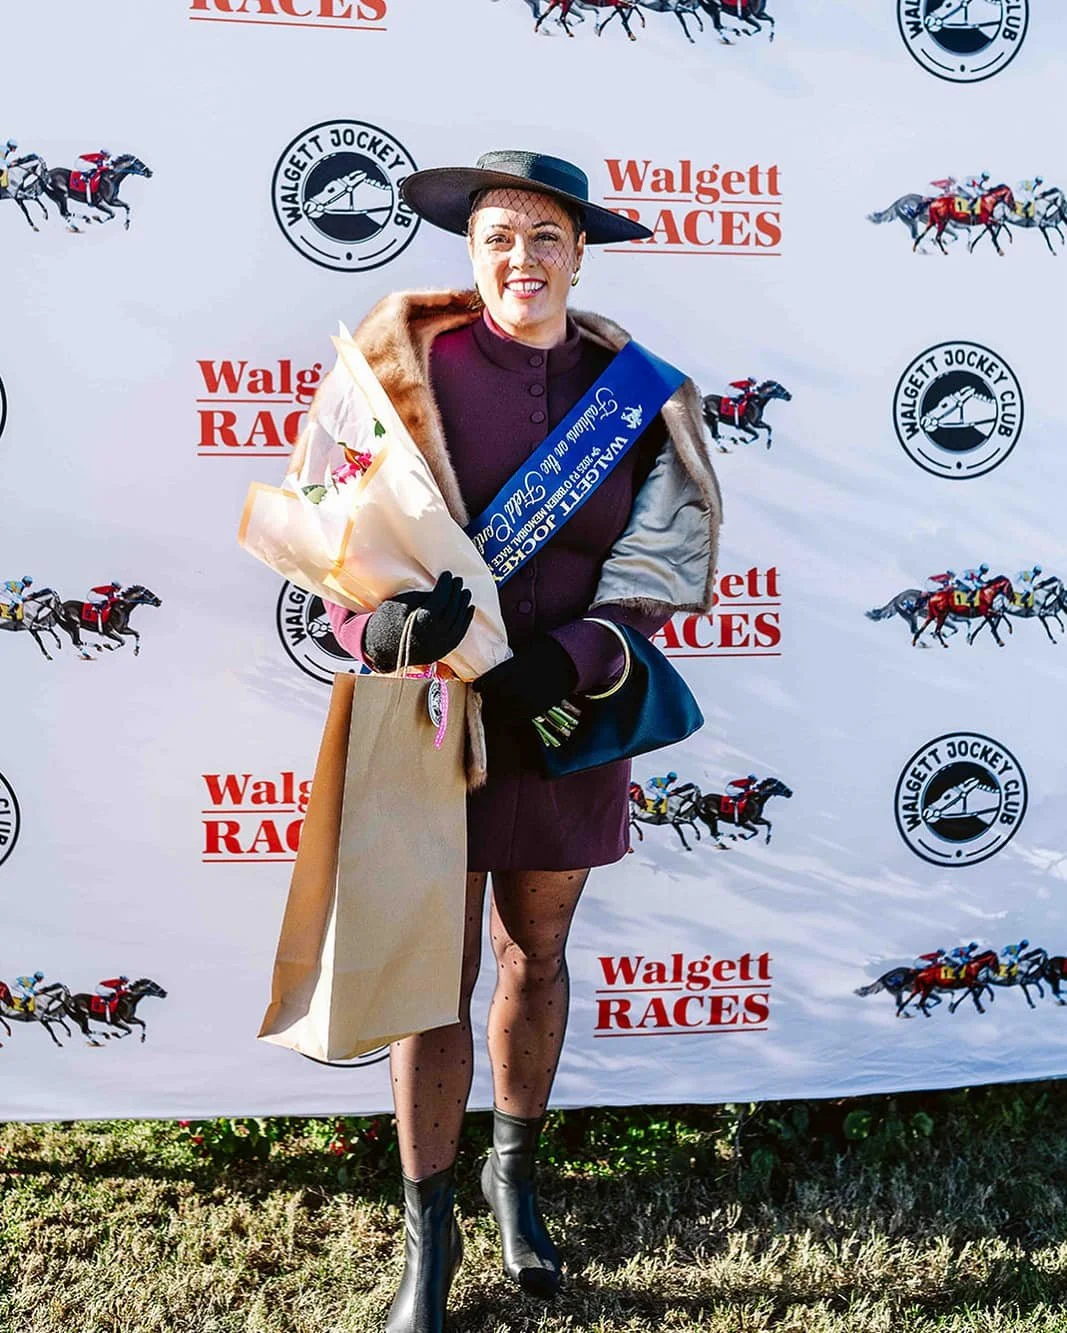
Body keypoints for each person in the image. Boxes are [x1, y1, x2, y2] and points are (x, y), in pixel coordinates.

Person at [321, 149, 720, 1331]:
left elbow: (661, 559)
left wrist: (580, 654)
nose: (522, 259)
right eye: (499, 235)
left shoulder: (633, 390)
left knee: (532, 954)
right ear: (469, 247)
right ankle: (424, 1242)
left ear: (579, 254)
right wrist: (380, 619)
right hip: (432, 717)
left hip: (569, 711)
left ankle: (514, 1179)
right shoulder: (396, 368)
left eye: (546, 238)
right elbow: (332, 537)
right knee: (428, 979)